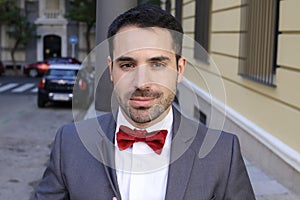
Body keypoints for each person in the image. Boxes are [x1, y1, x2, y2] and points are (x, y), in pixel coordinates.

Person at [34, 4, 255, 200]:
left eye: (157, 64)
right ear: (111, 70)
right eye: (128, 65)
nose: (141, 83)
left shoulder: (223, 153)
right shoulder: (70, 144)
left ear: (179, 70)